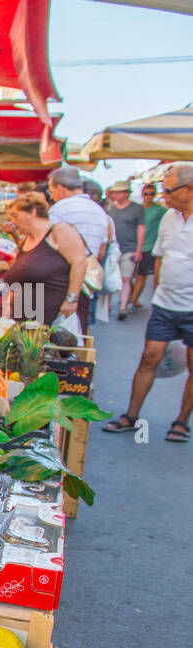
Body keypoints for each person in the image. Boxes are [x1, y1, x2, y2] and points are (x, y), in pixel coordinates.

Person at [104, 163, 193, 443]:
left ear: (189, 190)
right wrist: (155, 294)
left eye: (168, 190)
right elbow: (160, 257)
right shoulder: (168, 218)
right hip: (165, 304)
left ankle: (181, 421)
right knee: (149, 358)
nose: (162, 195)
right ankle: (131, 415)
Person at [1, 192, 88, 325]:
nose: (12, 222)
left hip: (52, 320)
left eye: (15, 215)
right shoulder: (26, 240)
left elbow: (79, 262)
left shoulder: (59, 231)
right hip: (26, 322)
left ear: (32, 212)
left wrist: (71, 299)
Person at [47, 166, 111, 334]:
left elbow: (48, 246)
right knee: (78, 330)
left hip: (61, 284)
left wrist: (71, 297)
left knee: (55, 337)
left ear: (60, 188)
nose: (51, 195)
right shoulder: (100, 211)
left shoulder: (59, 209)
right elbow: (102, 252)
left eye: (51, 190)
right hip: (86, 285)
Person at [105, 181, 146, 320]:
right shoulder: (111, 209)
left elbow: (141, 229)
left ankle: (122, 307)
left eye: (117, 192)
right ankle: (108, 305)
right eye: (113, 192)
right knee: (110, 276)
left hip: (130, 248)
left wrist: (138, 250)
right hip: (113, 248)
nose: (114, 195)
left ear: (126, 193)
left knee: (126, 278)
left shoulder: (137, 209)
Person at [129, 181, 165, 311]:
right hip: (133, 245)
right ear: (142, 194)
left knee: (141, 274)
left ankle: (133, 300)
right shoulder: (137, 209)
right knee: (128, 275)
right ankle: (131, 296)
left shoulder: (160, 210)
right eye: (146, 194)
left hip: (149, 247)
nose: (149, 196)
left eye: (151, 194)